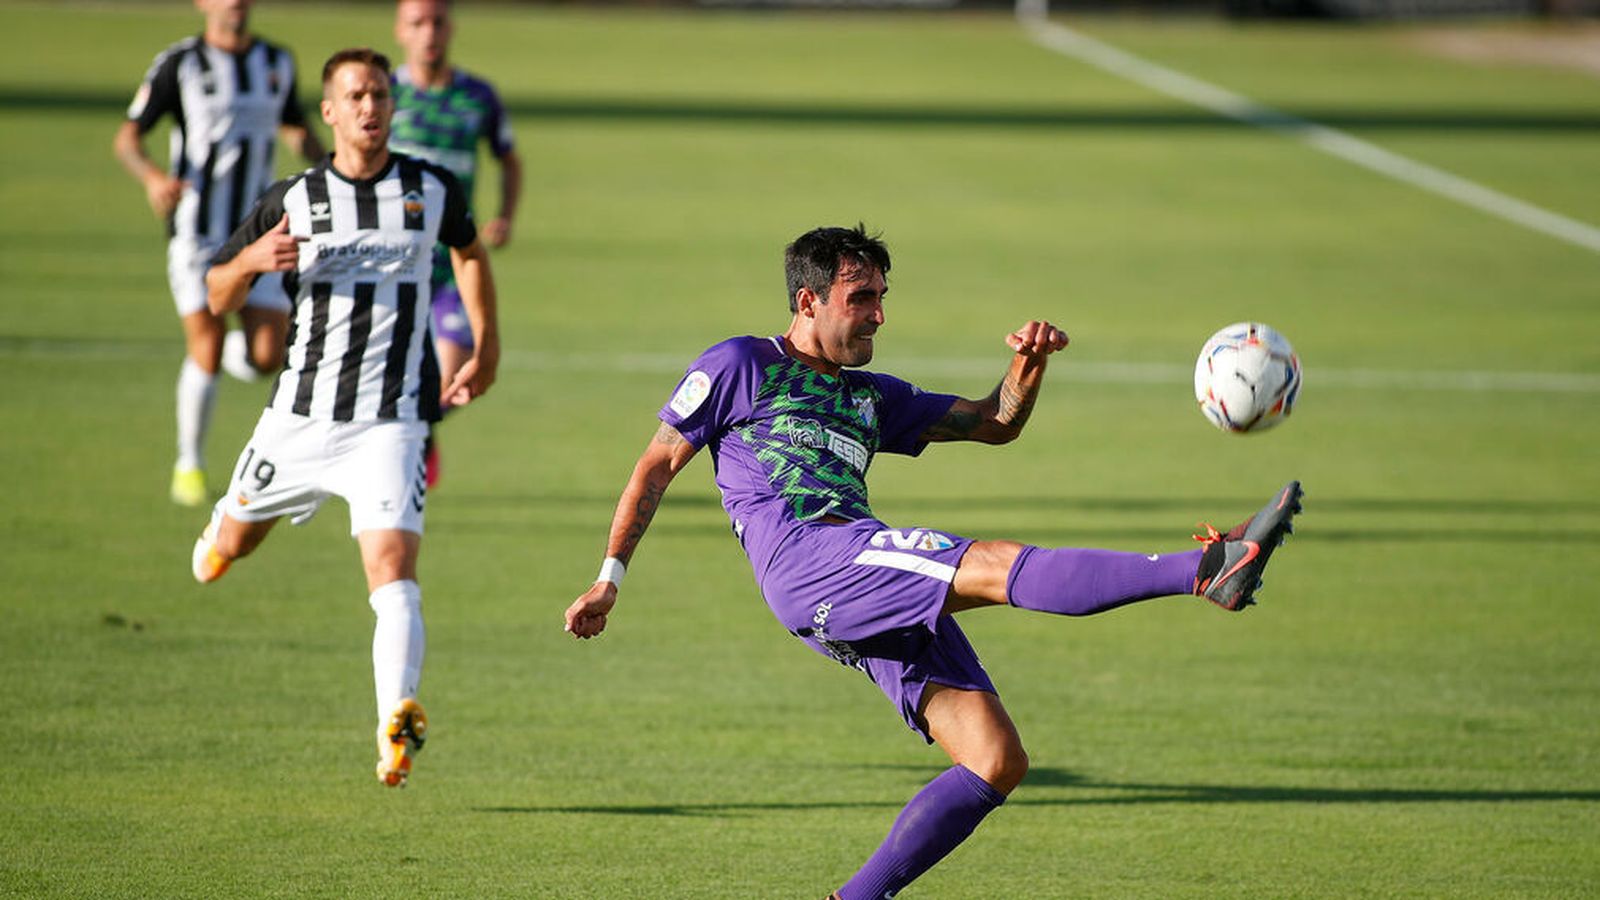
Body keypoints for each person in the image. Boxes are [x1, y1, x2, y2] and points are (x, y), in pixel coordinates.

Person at [564, 225, 1302, 897]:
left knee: (993, 759)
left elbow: (995, 422)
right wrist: (609, 577)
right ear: (808, 300)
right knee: (994, 563)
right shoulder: (740, 365)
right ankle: (1205, 570)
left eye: (883, 297)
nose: (879, 313)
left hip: (856, 572)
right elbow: (657, 466)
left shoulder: (870, 398)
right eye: (862, 298)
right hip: (813, 558)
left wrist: (1028, 363)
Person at [190, 47, 500, 788]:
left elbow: (470, 252)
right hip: (298, 418)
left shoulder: (431, 189)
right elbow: (215, 295)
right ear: (329, 112)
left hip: (391, 423)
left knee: (392, 571)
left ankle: (396, 724)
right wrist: (248, 263)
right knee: (229, 546)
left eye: (380, 95)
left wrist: (486, 345)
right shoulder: (290, 200)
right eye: (356, 96)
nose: (370, 107)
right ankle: (223, 529)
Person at [114, 0, 325, 507]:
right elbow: (128, 137)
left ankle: (227, 355)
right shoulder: (181, 63)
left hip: (263, 229)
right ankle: (189, 464)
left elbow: (294, 126)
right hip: (198, 230)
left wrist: (334, 171)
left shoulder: (277, 61)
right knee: (205, 346)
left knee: (268, 355)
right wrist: (153, 179)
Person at [389, 0, 522, 487]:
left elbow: (508, 159)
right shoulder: (384, 94)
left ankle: (421, 431)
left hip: (455, 261)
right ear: (400, 30)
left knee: (450, 379)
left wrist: (504, 216)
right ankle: (402, 440)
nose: (429, 33)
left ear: (451, 28)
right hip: (394, 263)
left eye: (437, 23)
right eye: (417, 24)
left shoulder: (477, 97)